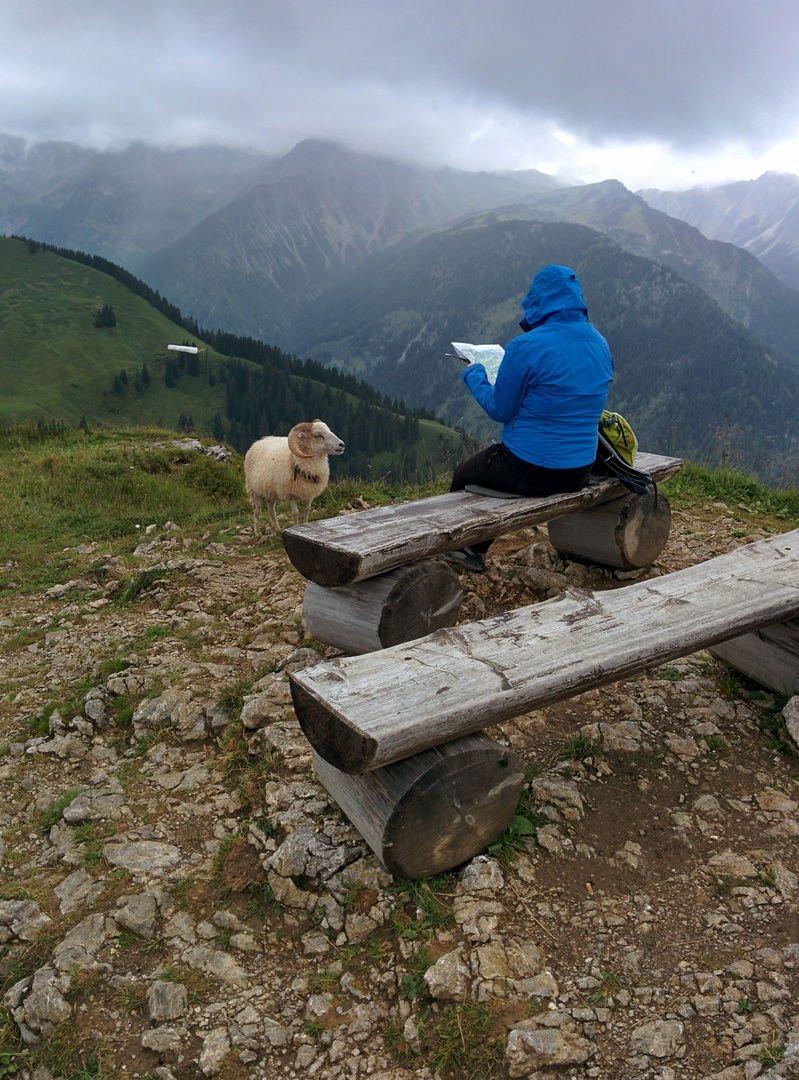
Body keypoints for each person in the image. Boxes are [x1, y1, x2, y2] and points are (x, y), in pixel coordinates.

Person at [444, 264, 614, 572]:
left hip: (530, 467)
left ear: (539, 301)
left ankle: (466, 549)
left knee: (465, 474)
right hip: (580, 469)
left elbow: (499, 409)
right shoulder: (600, 343)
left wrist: (475, 374)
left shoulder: (526, 346)